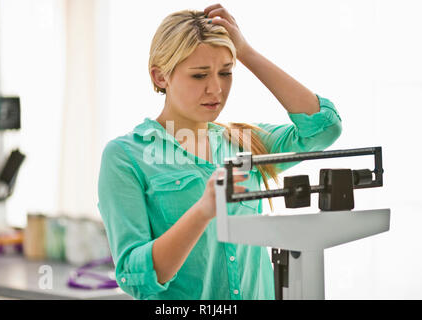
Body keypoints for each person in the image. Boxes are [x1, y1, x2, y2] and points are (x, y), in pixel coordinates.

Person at [98, 4, 342, 300]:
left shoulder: (244, 141)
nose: (216, 89)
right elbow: (136, 277)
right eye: (200, 76)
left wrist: (247, 52)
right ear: (161, 77)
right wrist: (202, 211)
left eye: (225, 72)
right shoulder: (126, 157)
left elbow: (323, 128)